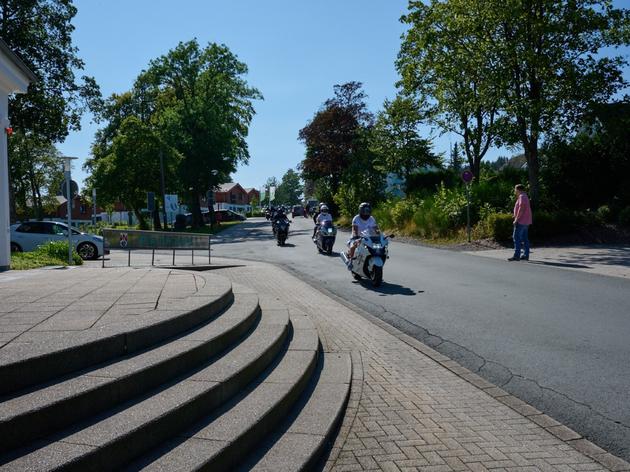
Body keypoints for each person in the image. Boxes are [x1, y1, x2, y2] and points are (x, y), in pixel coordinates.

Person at [509, 184, 532, 261]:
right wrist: (515, 215)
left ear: (518, 189)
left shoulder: (522, 196)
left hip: (521, 221)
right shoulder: (525, 196)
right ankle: (526, 255)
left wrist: (516, 219)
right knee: (525, 238)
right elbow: (522, 209)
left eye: (515, 189)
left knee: (516, 237)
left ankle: (516, 255)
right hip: (526, 221)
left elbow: (521, 208)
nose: (515, 191)